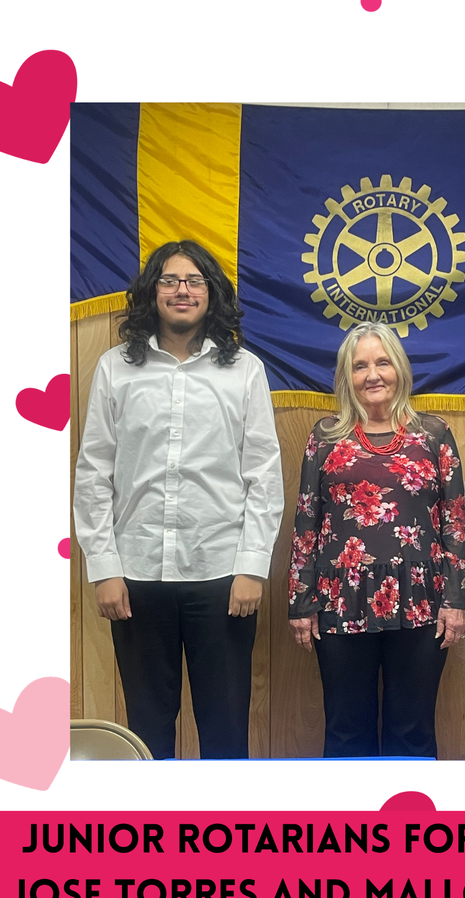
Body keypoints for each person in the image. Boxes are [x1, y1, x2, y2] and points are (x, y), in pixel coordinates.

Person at [73, 239, 284, 760]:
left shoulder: (244, 371)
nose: (182, 290)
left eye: (194, 281)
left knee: (226, 726)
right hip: (136, 577)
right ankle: (153, 834)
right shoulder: (115, 368)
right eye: (170, 280)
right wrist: (104, 568)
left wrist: (252, 569)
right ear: (152, 291)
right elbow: (93, 473)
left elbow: (264, 476)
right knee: (147, 728)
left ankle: (224, 833)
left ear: (212, 295)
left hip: (222, 577)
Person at [288, 322, 465, 758]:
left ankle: (411, 823)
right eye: (360, 366)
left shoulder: (434, 434)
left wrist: (456, 600)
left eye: (382, 362)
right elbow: (306, 520)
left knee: (413, 730)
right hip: (340, 601)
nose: (373, 374)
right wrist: (300, 602)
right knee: (347, 729)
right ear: (346, 377)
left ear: (400, 369)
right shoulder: (326, 436)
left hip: (422, 602)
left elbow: (455, 523)